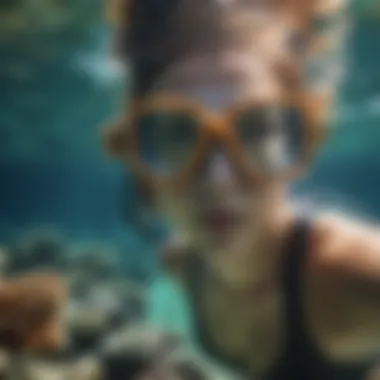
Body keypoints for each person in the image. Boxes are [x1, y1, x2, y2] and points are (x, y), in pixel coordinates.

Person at [104, 0, 380, 379]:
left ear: (300, 143)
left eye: (256, 128)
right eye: (178, 132)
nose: (218, 179)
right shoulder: (181, 265)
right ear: (138, 157)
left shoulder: (353, 275)